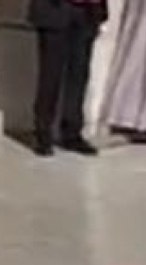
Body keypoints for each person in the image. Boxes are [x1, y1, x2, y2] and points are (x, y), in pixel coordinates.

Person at [28, 0, 107, 157]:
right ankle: (43, 134)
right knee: (50, 74)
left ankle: (72, 132)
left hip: (87, 11)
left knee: (79, 74)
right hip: (54, 8)